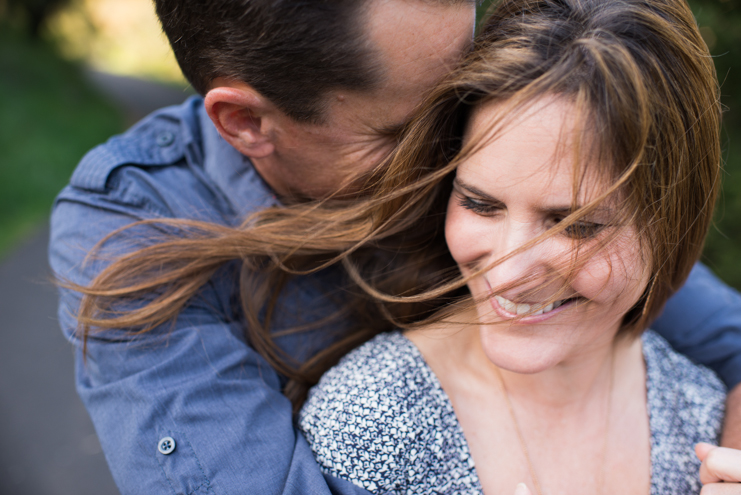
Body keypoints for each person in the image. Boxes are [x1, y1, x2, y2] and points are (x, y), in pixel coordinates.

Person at [48, 0, 741, 494]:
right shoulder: (139, 226)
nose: (464, 140)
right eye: (410, 132)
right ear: (247, 123)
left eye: (462, 100)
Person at [298, 0, 734, 493]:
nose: (506, 275)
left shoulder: (705, 416)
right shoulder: (371, 425)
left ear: (673, 219)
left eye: (574, 226)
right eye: (480, 204)